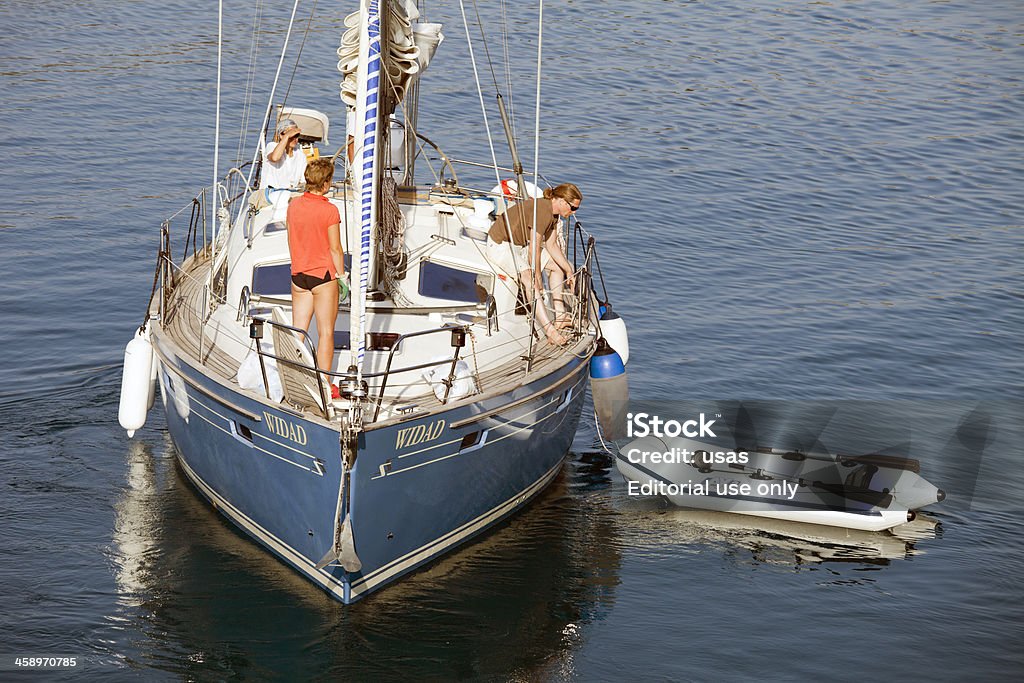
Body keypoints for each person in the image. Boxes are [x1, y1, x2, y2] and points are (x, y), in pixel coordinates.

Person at [487, 183, 581, 345]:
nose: (573, 213)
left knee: (558, 267)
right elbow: (534, 249)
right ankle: (550, 331)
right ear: (562, 201)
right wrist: (537, 275)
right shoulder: (543, 211)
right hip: (501, 246)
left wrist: (568, 270)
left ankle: (560, 316)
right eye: (573, 208)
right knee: (530, 280)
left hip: (518, 247)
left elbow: (551, 245)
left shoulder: (554, 214)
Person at [286, 158, 346, 395]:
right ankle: (323, 384)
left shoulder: (293, 205)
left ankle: (290, 376)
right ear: (326, 184)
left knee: (298, 332)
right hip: (322, 276)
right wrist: (341, 276)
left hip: (298, 274)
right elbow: (335, 249)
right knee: (325, 333)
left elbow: (291, 238)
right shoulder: (329, 210)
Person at [261, 118, 307, 191]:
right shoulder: (272, 146)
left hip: (291, 194)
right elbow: (275, 158)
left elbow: (304, 180)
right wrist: (286, 136)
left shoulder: (300, 155)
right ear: (281, 136)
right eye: (291, 136)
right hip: (270, 193)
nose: (295, 139)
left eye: (296, 135)